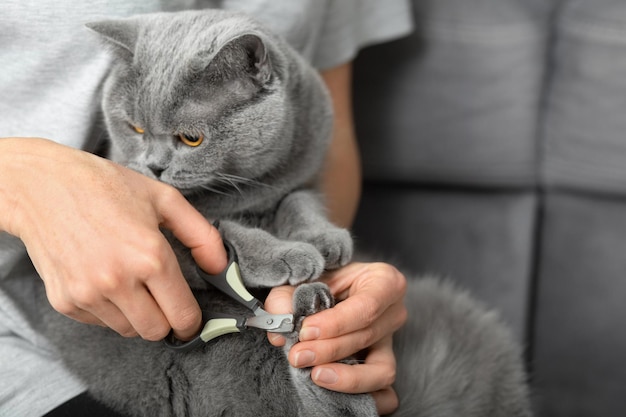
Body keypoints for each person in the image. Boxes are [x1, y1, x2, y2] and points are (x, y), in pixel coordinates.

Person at [0, 1, 412, 415]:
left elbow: (328, 139)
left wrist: (323, 281)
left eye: (190, 138)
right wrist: (19, 183)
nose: (155, 163)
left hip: (237, 297)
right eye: (139, 131)